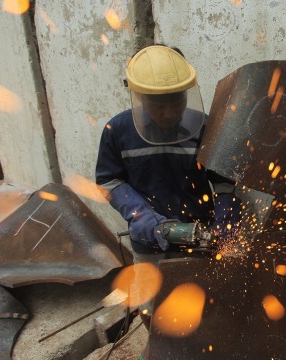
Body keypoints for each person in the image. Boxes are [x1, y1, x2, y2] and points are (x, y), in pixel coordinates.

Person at [95, 45, 241, 317]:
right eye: (158, 105)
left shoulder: (204, 126)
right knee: (154, 311)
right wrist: (141, 217)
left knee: (202, 309)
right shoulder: (118, 131)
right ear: (139, 96)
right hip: (149, 244)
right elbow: (109, 181)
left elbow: (223, 181)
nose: (169, 113)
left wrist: (225, 215)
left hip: (200, 239)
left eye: (177, 101)